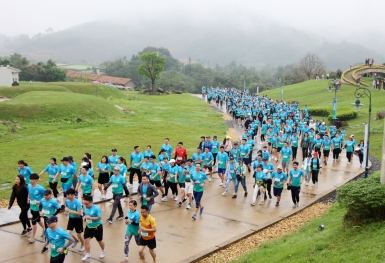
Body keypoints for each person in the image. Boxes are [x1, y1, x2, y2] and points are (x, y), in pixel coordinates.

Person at [82, 195, 106, 261]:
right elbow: (85, 214)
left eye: (87, 204)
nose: (85, 205)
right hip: (88, 227)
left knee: (99, 241)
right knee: (86, 241)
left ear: (91, 202)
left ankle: (103, 251)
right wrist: (84, 217)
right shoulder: (85, 207)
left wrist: (90, 218)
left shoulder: (96, 208)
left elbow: (99, 218)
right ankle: (88, 254)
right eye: (84, 204)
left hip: (97, 227)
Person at [40, 189, 61, 253]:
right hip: (45, 218)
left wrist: (53, 215)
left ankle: (55, 243)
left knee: (52, 231)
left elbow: (58, 209)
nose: (45, 196)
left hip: (51, 219)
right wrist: (40, 211)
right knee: (47, 231)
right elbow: (40, 205)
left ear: (50, 195)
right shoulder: (42, 200)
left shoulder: (53, 202)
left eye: (47, 195)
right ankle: (46, 246)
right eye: (44, 195)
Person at [28, 173, 46, 243]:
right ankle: (44, 228)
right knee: (38, 219)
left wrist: (41, 202)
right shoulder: (29, 186)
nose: (31, 181)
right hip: (32, 206)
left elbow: (46, 196)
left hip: (38, 207)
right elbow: (29, 193)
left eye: (32, 179)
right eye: (30, 179)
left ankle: (33, 237)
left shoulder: (40, 188)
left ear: (36, 180)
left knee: (33, 221)